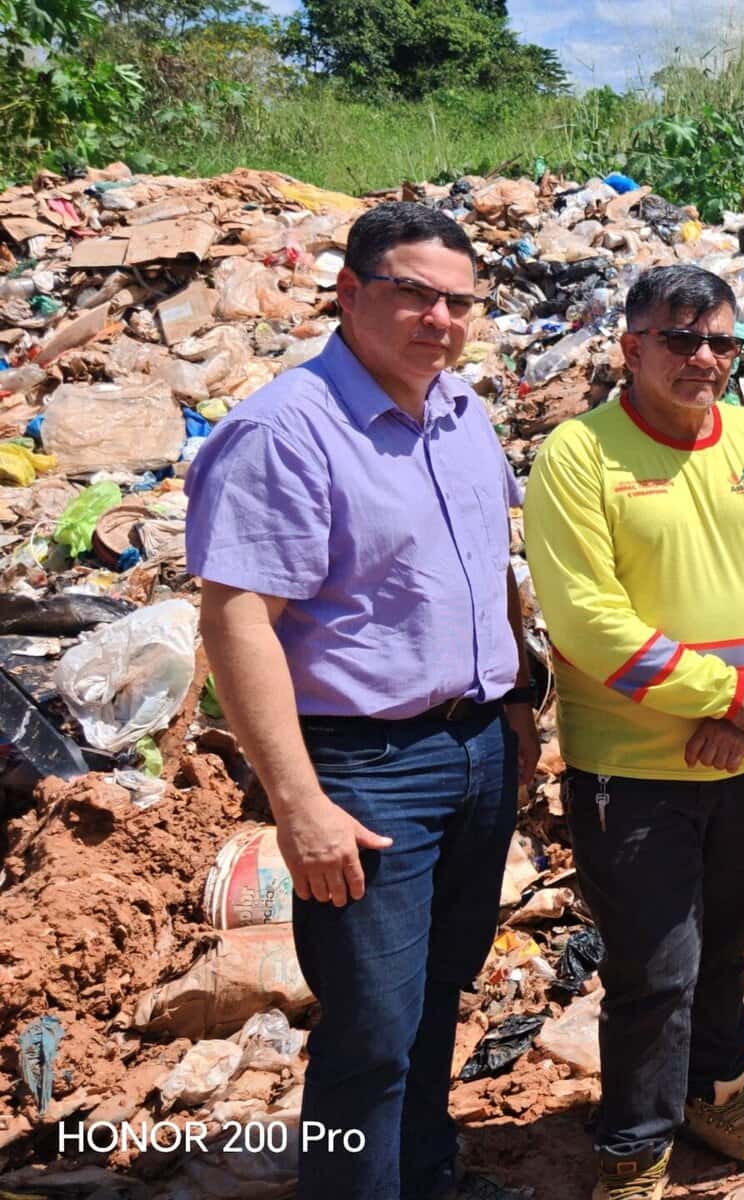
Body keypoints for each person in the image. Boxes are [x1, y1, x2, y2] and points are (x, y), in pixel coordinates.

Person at [188, 201, 540, 1200]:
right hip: (367, 771)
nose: (440, 320)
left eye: (459, 303)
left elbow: (492, 571)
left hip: (478, 748)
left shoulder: (462, 413)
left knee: (436, 999)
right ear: (349, 292)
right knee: (371, 1030)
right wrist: (297, 804)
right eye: (414, 294)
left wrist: (517, 706)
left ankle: (423, 1174)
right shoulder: (286, 431)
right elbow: (238, 622)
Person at [522, 265, 744, 1200]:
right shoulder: (579, 456)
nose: (703, 358)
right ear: (631, 347)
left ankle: (716, 1098)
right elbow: (587, 620)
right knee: (653, 971)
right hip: (631, 769)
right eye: (680, 338)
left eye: (721, 342)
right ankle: (632, 1152)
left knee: (727, 951)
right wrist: (726, 696)